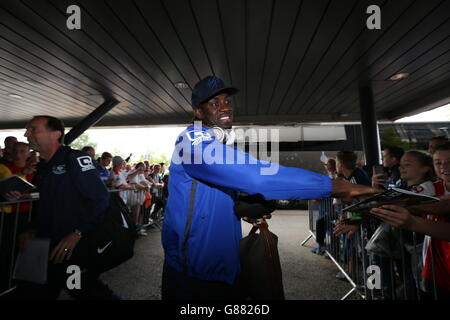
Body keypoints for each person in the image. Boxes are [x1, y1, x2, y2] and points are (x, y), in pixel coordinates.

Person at [161, 75, 379, 300]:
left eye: (227, 101)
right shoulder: (191, 141)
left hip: (224, 269)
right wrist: (337, 186)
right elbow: (259, 177)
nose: (225, 107)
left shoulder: (215, 143)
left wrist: (240, 208)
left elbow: (206, 199)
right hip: (193, 276)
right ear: (198, 112)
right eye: (215, 104)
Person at [5, 115, 119, 300]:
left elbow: (100, 199)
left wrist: (77, 233)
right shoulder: (42, 166)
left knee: (87, 291)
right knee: (32, 292)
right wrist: (29, 224)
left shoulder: (74, 159)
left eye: (33, 129)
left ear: (55, 134)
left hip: (72, 251)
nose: (26, 133)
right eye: (27, 129)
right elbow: (46, 203)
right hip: (43, 248)